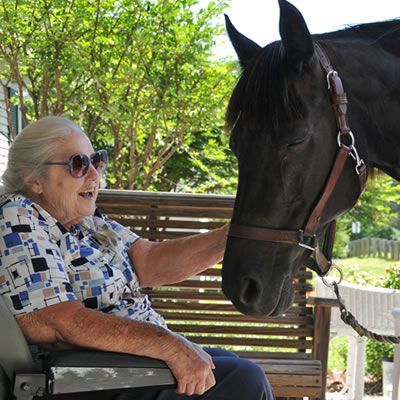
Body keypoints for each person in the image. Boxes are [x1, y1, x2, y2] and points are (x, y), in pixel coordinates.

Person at [0, 116, 274, 400]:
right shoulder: (19, 215)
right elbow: (53, 320)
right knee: (245, 380)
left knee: (229, 364)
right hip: (81, 379)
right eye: (79, 165)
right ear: (33, 179)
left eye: (97, 161)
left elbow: (148, 260)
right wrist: (170, 345)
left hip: (122, 365)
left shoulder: (85, 220)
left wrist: (237, 233)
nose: (95, 175)